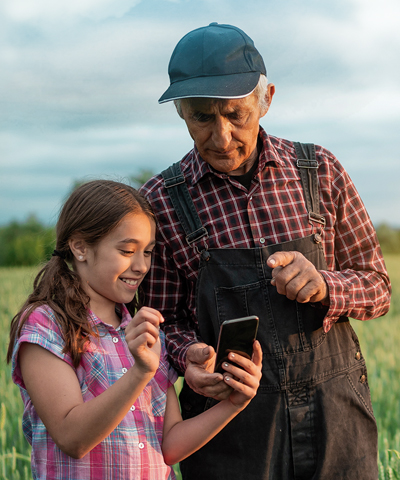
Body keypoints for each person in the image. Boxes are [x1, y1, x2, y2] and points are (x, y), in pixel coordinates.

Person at [139, 23, 392, 480]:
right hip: (231, 432)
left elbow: (378, 286)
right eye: (201, 117)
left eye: (236, 115)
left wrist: (325, 285)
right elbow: (156, 323)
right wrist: (186, 358)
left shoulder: (320, 171)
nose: (220, 137)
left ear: (267, 98)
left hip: (336, 421)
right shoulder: (160, 201)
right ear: (180, 112)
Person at [6, 180, 262, 480]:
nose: (141, 266)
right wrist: (140, 372)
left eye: (149, 252)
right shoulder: (47, 324)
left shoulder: (144, 329)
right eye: (127, 250)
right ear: (80, 247)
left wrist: (233, 404)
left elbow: (168, 445)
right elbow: (72, 438)